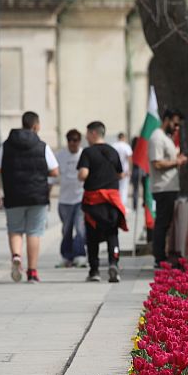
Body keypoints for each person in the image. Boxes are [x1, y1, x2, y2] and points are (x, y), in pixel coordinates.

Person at [0, 111, 59, 283]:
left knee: (15, 229)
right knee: (34, 232)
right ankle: (32, 272)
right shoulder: (42, 145)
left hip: (13, 194)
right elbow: (55, 170)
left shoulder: (6, 145)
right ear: (36, 125)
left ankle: (16, 255)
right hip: (37, 196)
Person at [77, 121, 127, 283]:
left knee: (92, 236)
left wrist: (80, 176)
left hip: (94, 201)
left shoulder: (87, 152)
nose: (86, 137)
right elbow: (120, 173)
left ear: (93, 133)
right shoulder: (113, 151)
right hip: (112, 199)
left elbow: (83, 174)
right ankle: (114, 263)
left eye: (87, 133)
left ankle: (95, 271)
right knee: (112, 232)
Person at [149, 108, 187, 267]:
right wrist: (176, 162)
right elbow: (156, 163)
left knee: (167, 223)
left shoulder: (167, 138)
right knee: (162, 223)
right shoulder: (157, 138)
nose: (177, 128)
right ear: (167, 120)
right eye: (175, 124)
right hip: (163, 187)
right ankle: (159, 257)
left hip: (170, 186)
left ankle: (166, 254)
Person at [54, 129, 87, 268]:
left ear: (79, 141)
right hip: (65, 199)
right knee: (66, 230)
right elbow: (52, 175)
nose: (73, 143)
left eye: (75, 140)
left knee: (80, 228)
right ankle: (67, 256)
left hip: (80, 198)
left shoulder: (84, 154)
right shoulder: (60, 155)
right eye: (70, 140)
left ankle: (80, 255)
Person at [111, 132, 133, 209]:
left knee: (116, 188)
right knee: (124, 188)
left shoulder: (113, 145)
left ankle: (115, 204)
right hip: (124, 171)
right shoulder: (126, 146)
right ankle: (122, 206)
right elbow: (129, 158)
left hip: (114, 171)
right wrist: (130, 169)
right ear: (124, 138)